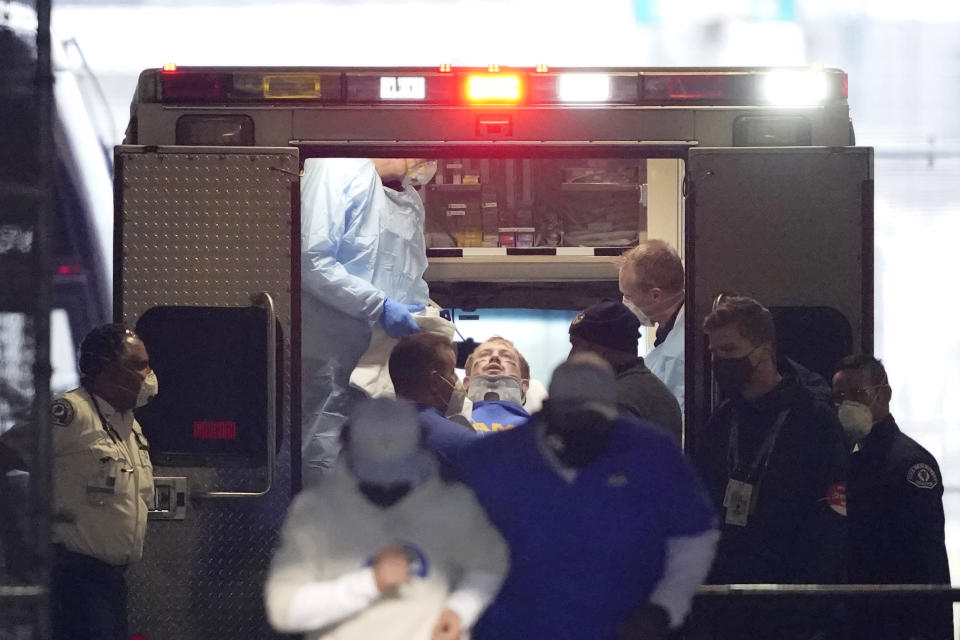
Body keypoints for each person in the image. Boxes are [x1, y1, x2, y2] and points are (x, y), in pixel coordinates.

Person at [457, 353, 718, 640]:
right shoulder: (491, 459)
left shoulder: (651, 454)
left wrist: (665, 607)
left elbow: (695, 536)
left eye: (594, 422)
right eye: (572, 420)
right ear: (547, 409)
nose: (583, 432)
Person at [265, 398, 508, 640]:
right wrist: (370, 583)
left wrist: (459, 611)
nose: (386, 489)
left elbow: (490, 564)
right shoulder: (316, 513)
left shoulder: (453, 505)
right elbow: (284, 609)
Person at [692, 296, 848, 640]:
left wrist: (807, 607)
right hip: (723, 602)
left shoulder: (814, 422)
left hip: (787, 604)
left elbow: (830, 526)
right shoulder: (722, 420)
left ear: (763, 350)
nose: (719, 361)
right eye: (715, 353)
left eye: (729, 350)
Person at [0, 324, 157, 640]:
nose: (149, 374)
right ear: (110, 371)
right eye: (140, 365)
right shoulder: (71, 413)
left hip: (110, 580)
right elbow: (7, 453)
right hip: (75, 578)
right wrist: (15, 537)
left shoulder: (128, 424)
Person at [300, 157, 437, 485]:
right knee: (326, 444)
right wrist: (379, 305)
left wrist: (423, 312)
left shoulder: (409, 199)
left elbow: (411, 272)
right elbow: (311, 261)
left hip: (386, 353)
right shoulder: (333, 169)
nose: (428, 162)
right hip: (331, 347)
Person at [832, 355, 952, 640]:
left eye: (858, 394)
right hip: (856, 615)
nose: (847, 405)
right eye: (839, 397)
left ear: (883, 394)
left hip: (896, 620)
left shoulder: (909, 464)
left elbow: (927, 562)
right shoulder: (844, 458)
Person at [568, 299, 683, 441]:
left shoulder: (615, 404)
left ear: (600, 350)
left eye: (576, 345)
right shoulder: (658, 391)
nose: (571, 356)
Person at [389, 332, 478, 468]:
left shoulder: (360, 438)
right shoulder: (460, 442)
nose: (456, 380)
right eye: (452, 371)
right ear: (435, 381)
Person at [619, 239, 686, 408]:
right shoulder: (667, 335)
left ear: (655, 296)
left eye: (628, 296)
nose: (625, 303)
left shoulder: (683, 351)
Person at [462, 337, 531, 434]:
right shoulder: (448, 425)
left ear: (524, 385)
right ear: (466, 383)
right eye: (484, 355)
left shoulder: (539, 430)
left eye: (507, 356)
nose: (494, 357)